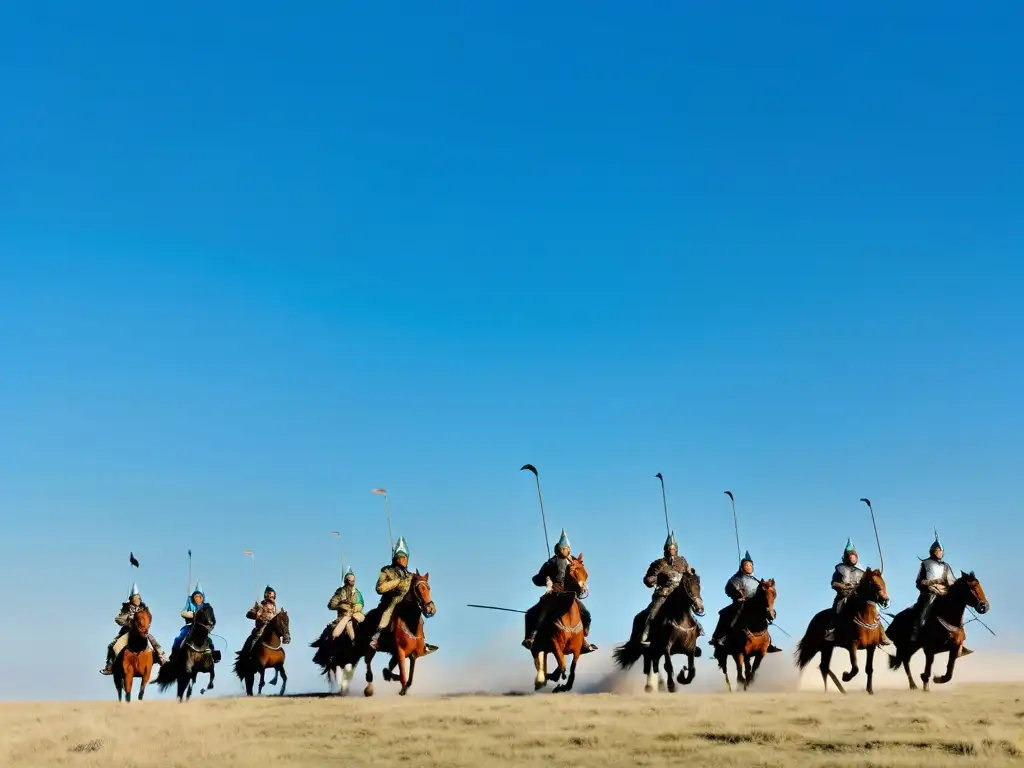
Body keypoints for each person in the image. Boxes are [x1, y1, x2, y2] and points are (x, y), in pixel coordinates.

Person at [522, 528, 597, 653]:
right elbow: (538, 579)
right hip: (554, 596)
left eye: (566, 548)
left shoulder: (575, 562)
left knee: (586, 615)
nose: (564, 550)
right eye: (562, 548)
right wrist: (544, 579)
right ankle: (532, 638)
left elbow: (581, 577)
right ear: (558, 549)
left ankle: (582, 640)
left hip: (570, 597)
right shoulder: (550, 563)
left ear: (569, 549)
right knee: (532, 614)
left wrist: (581, 587)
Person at [911, 533, 971, 655]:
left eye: (941, 550)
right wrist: (933, 583)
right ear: (932, 551)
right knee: (927, 606)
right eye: (937, 550)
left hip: (944, 593)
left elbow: (952, 582)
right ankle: (917, 633)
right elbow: (919, 582)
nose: (939, 552)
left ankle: (959, 640)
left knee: (957, 611)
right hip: (929, 593)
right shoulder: (925, 564)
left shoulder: (945, 566)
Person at [710, 551, 781, 652]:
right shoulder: (735, 579)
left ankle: (766, 641)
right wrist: (737, 594)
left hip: (754, 604)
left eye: (750, 565)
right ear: (742, 566)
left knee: (766, 612)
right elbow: (728, 589)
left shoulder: (756, 581)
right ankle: (721, 637)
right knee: (724, 613)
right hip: (739, 603)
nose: (749, 567)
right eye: (746, 565)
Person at [639, 531, 694, 645]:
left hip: (680, 593)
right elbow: (648, 578)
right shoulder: (659, 563)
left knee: (691, 608)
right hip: (664, 593)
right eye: (669, 549)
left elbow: (689, 575)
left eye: (673, 549)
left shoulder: (682, 561)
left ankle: (695, 630)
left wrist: (691, 575)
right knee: (654, 611)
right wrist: (650, 579)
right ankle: (647, 632)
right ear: (665, 549)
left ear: (676, 549)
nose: (671, 551)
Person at [100, 582, 167, 674]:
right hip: (128, 632)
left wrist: (146, 624)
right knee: (113, 646)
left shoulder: (144, 609)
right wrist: (128, 619)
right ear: (131, 599)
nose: (137, 600)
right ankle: (110, 667)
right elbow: (118, 619)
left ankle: (162, 659)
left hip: (142, 631)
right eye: (135, 598)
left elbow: (149, 618)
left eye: (138, 598)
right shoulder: (125, 609)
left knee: (153, 640)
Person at [368, 536, 414, 651]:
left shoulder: (410, 575)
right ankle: (376, 637)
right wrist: (396, 582)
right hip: (390, 601)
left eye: (405, 558)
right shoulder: (387, 571)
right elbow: (379, 588)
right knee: (388, 612)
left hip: (405, 601)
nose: (404, 560)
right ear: (395, 559)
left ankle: (421, 641)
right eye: (401, 557)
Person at [173, 582, 213, 655]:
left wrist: (210, 624)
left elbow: (211, 619)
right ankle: (174, 655)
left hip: (203, 628)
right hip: (191, 626)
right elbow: (182, 612)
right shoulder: (190, 604)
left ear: (202, 598)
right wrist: (192, 614)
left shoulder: (206, 607)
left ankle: (214, 656)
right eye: (196, 596)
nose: (197, 598)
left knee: (210, 641)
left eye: (199, 596)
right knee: (179, 638)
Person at [327, 567, 365, 642]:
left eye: (353, 581)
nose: (351, 583)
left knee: (366, 623)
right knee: (347, 626)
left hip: (356, 614)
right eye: (349, 581)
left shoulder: (357, 592)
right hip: (343, 615)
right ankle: (353, 641)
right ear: (346, 581)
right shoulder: (340, 592)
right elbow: (331, 605)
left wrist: (355, 608)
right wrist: (341, 606)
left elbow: (361, 603)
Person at [241, 585, 279, 657]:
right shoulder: (261, 606)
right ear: (266, 595)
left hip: (273, 627)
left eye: (272, 594)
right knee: (258, 635)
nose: (271, 596)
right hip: (263, 625)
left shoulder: (276, 608)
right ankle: (251, 652)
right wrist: (255, 614)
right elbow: (248, 614)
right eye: (269, 594)